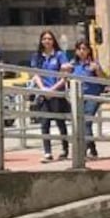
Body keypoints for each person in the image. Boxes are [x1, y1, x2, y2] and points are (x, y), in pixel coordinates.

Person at [31, 29, 70, 162]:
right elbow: (35, 75)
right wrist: (43, 89)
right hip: (44, 93)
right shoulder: (37, 57)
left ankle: (65, 149)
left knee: (60, 122)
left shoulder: (59, 55)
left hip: (57, 92)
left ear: (53, 41)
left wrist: (53, 90)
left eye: (49, 39)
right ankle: (47, 152)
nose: (47, 41)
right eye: (44, 39)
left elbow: (65, 76)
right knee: (44, 123)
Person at [69, 39, 106, 159]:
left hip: (92, 96)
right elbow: (65, 78)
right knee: (81, 123)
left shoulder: (93, 64)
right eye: (79, 49)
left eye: (84, 49)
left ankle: (84, 151)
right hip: (78, 97)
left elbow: (104, 80)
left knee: (87, 121)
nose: (82, 51)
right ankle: (93, 149)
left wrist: (97, 70)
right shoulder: (73, 65)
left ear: (88, 50)